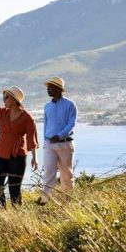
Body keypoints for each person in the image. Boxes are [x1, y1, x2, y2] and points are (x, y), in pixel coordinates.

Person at [38, 77, 77, 205]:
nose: (48, 90)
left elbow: (71, 124)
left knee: (66, 175)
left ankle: (68, 201)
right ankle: (44, 200)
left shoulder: (70, 105)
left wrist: (59, 136)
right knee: (48, 172)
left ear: (59, 89)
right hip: (49, 144)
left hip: (65, 143)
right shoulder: (47, 106)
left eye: (51, 87)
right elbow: (46, 125)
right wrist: (45, 141)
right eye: (48, 87)